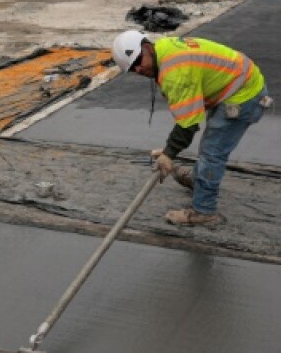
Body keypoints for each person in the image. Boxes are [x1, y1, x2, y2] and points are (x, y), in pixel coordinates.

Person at [112, 31, 272, 227]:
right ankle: (199, 180)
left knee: (212, 152)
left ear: (147, 48)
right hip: (233, 83)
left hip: (243, 95)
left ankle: (204, 212)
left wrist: (169, 154)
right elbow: (189, 114)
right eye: (133, 69)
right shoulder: (163, 49)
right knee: (210, 146)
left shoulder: (176, 72)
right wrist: (170, 151)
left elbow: (189, 124)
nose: (139, 69)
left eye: (138, 61)